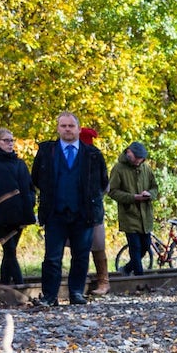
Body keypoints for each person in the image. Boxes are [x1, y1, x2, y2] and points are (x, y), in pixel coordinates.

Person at [32, 112, 108, 306]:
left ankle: (76, 292)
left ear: (78, 128)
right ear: (58, 128)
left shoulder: (92, 154)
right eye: (63, 126)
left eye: (71, 126)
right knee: (52, 257)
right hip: (55, 213)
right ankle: (49, 296)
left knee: (81, 256)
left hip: (83, 214)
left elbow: (102, 182)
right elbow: (36, 179)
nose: (67, 129)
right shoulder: (47, 152)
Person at [0, 128, 36, 286]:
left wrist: (30, 203)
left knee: (10, 252)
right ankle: (20, 286)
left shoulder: (19, 163)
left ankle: (6, 284)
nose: (10, 144)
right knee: (10, 250)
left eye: (12, 140)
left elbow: (29, 187)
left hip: (20, 214)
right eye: (6, 140)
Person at [108, 142, 158, 276]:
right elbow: (112, 191)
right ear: (129, 152)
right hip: (129, 215)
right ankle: (139, 277)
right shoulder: (118, 169)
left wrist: (150, 194)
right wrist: (133, 197)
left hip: (145, 216)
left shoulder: (146, 168)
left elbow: (155, 188)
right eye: (137, 158)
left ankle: (126, 269)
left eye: (141, 159)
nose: (138, 161)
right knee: (135, 248)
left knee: (145, 247)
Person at [79, 126, 110, 296]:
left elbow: (104, 183)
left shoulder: (95, 156)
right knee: (84, 246)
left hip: (93, 208)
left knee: (97, 244)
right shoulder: (95, 155)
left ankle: (102, 280)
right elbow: (106, 185)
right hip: (82, 208)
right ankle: (86, 280)